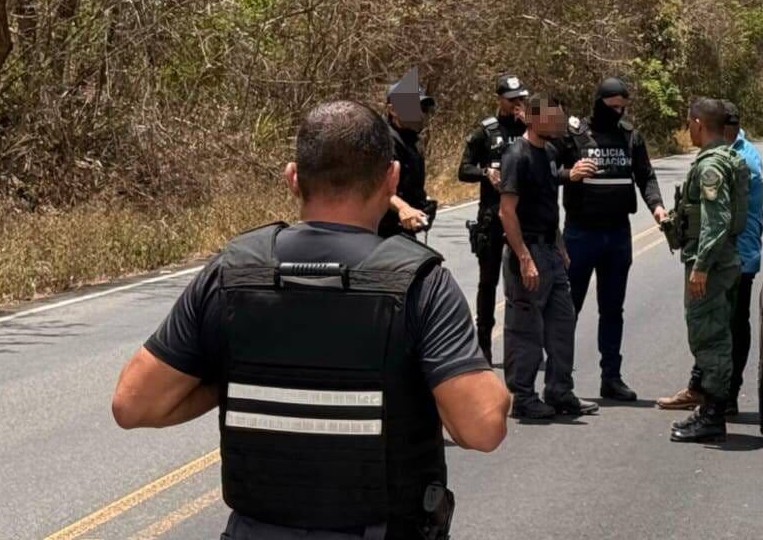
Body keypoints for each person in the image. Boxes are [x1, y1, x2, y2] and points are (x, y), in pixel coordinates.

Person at [110, 100, 509, 540]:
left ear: (293, 179)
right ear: (391, 178)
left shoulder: (231, 273)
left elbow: (134, 404)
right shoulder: (421, 283)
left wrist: (238, 377)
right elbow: (482, 426)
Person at [556, 78, 667, 402]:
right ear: (598, 102)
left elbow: (645, 175)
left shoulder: (631, 136)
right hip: (580, 233)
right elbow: (547, 169)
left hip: (617, 234)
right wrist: (569, 174)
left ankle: (611, 378)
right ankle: (560, 380)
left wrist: (657, 207)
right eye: (612, 106)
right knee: (568, 308)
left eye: (623, 107)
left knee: (612, 309)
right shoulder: (574, 135)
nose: (617, 112)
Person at [657, 100, 763, 415]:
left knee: (711, 334)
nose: (687, 128)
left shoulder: (713, 165)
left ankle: (714, 409)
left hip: (719, 262)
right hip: (729, 258)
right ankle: (708, 398)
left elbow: (716, 220)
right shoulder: (731, 157)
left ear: (699, 123)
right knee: (717, 331)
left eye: (689, 122)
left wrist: (701, 266)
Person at [499, 94, 599, 420]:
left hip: (551, 251)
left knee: (562, 322)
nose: (558, 122)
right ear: (532, 119)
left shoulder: (551, 152)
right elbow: (507, 212)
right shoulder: (517, 156)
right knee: (525, 328)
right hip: (526, 251)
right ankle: (523, 397)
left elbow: (548, 203)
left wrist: (559, 245)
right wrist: (524, 258)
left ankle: (559, 391)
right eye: (551, 118)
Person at [458, 73, 529, 363]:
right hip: (491, 214)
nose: (517, 104)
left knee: (526, 282)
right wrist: (486, 173)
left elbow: (556, 153)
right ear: (499, 99)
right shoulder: (485, 132)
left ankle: (525, 347)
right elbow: (463, 170)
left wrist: (531, 124)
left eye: (520, 99)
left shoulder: (534, 126)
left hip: (524, 216)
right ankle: (484, 343)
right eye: (511, 100)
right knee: (488, 282)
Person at [379, 69, 438, 240]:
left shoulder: (410, 140)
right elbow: (375, 188)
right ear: (393, 110)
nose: (419, 113)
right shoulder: (383, 140)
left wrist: (422, 203)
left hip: (403, 232)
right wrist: (403, 208)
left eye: (422, 107)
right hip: (381, 234)